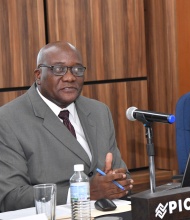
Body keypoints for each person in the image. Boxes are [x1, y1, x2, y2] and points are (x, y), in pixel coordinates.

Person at [0, 41, 133, 211]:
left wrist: (115, 181)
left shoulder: (99, 111)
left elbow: (123, 176)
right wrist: (84, 192)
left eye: (77, 70)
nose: (70, 77)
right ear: (38, 75)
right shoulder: (8, 120)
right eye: (58, 69)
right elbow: (11, 196)